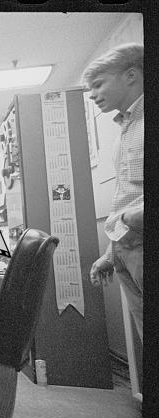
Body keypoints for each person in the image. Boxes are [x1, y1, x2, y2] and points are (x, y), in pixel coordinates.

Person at [83, 43, 143, 342]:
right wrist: (111, 252)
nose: (92, 94)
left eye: (98, 84)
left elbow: (133, 207)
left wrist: (133, 218)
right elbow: (127, 195)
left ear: (131, 75)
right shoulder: (126, 129)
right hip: (127, 247)